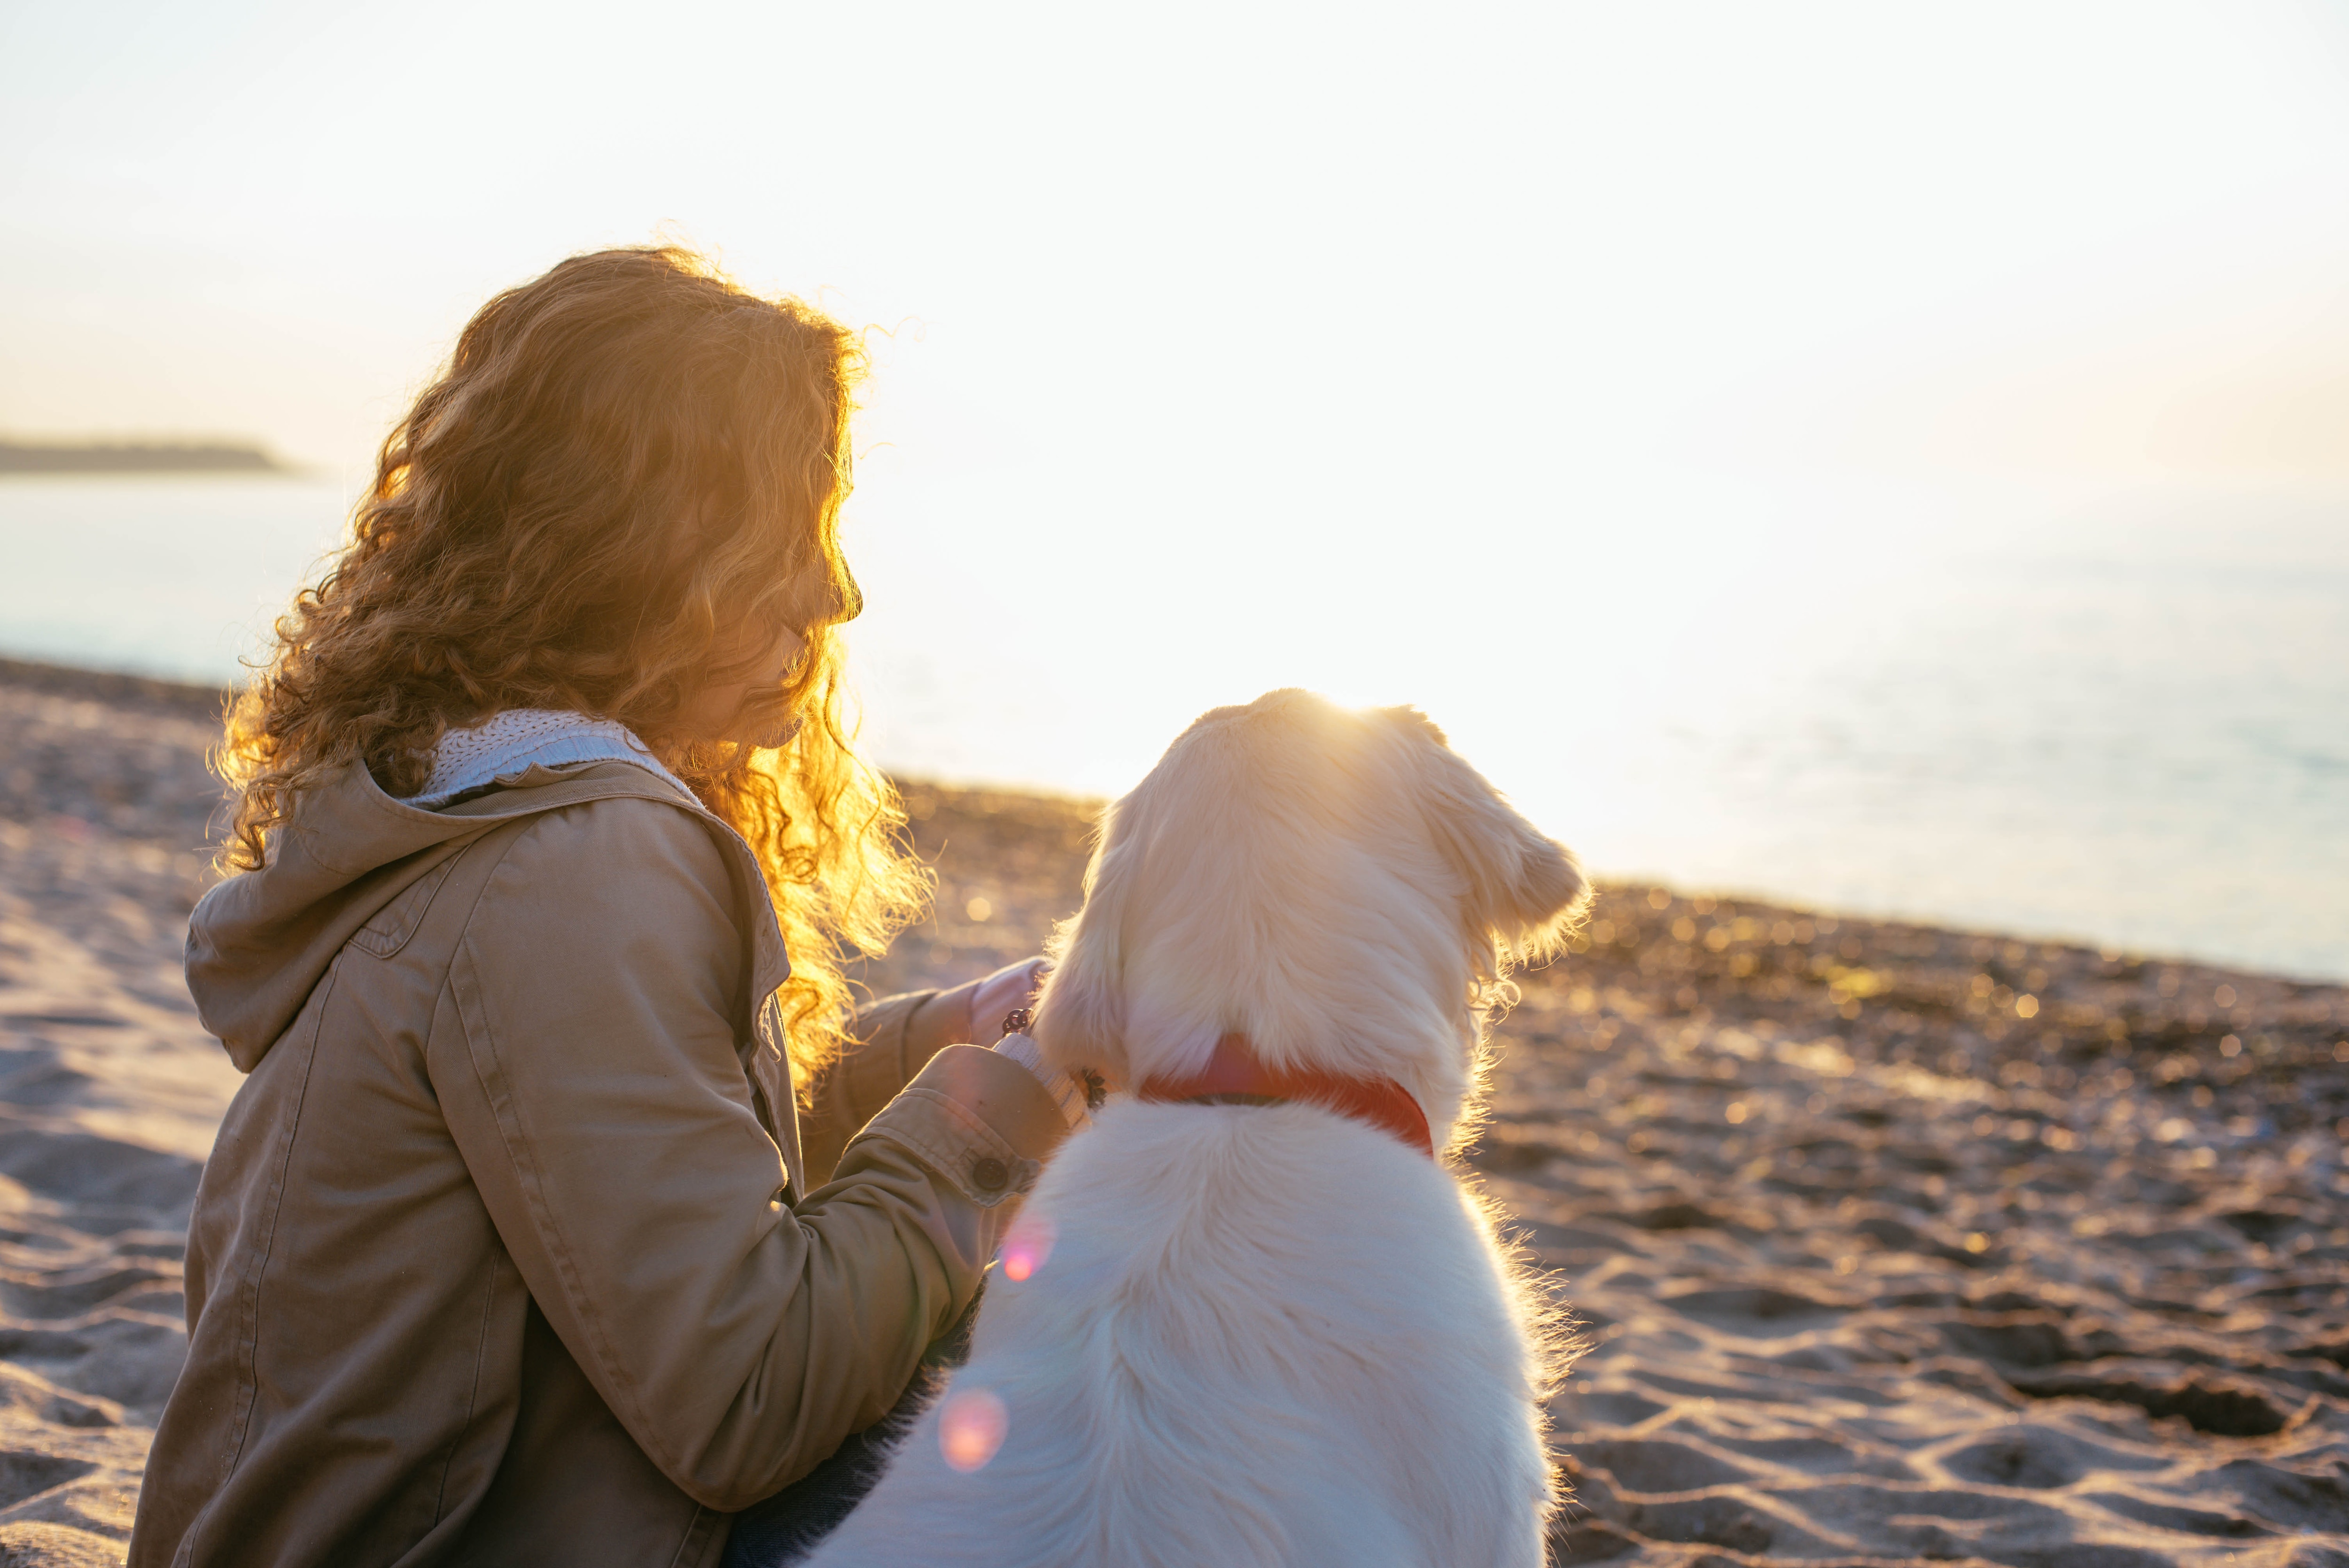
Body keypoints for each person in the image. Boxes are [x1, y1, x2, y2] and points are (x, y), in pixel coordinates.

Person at [126, 247, 1082, 1568]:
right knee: (1070, 1380)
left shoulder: (470, 804)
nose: (836, 593)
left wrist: (935, 1049)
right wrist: (1003, 1112)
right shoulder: (576, 863)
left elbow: (604, 1168)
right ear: (644, 547)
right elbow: (744, 1394)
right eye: (792, 533)